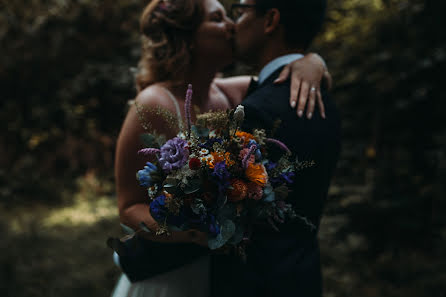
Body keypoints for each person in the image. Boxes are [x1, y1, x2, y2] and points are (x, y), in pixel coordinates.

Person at [110, 0, 331, 296]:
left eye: (231, 15)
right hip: (170, 274)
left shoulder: (230, 92)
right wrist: (194, 229)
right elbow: (128, 208)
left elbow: (280, 76)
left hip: (219, 276)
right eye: (218, 18)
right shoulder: (153, 104)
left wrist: (312, 61)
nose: (231, 25)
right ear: (188, 38)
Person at [210, 0, 341, 296]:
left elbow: (221, 217)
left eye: (241, 10)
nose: (234, 24)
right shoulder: (327, 103)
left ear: (270, 20)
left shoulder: (256, 112)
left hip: (251, 284)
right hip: (303, 278)